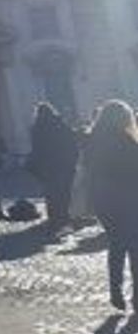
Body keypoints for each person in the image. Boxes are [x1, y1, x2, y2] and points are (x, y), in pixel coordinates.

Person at [83, 100, 138, 310]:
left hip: (103, 200)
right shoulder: (126, 141)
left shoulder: (92, 140)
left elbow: (90, 171)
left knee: (116, 245)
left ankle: (115, 291)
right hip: (128, 199)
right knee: (135, 248)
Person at [28, 102, 80, 230]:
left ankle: (54, 217)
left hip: (47, 166)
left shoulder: (36, 128)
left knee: (51, 192)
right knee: (64, 191)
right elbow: (71, 141)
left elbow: (36, 149)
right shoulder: (59, 123)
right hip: (63, 163)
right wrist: (73, 159)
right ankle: (64, 215)